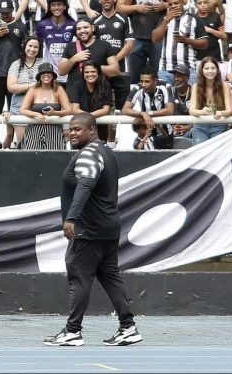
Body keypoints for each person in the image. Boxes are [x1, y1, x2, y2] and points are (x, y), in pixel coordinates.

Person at [44, 112, 140, 348]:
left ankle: (73, 331)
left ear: (92, 130)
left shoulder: (89, 153)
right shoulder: (105, 150)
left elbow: (86, 184)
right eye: (71, 129)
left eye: (77, 129)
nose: (72, 133)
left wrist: (72, 218)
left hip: (89, 229)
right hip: (108, 227)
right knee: (110, 276)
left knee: (79, 278)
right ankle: (128, 327)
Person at [19, 62, 70, 150]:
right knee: (31, 156)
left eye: (49, 73)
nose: (46, 75)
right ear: (39, 76)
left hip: (54, 129)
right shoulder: (33, 90)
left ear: (53, 76)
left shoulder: (59, 89)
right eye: (43, 73)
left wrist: (54, 113)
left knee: (54, 156)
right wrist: (37, 114)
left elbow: (68, 110)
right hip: (34, 129)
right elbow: (23, 110)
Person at [188, 58, 231, 144]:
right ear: (202, 70)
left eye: (213, 68)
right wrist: (202, 112)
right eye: (206, 68)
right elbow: (192, 111)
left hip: (219, 125)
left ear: (217, 70)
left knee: (217, 154)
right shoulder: (196, 86)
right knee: (200, 153)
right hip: (200, 125)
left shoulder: (224, 85)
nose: (210, 71)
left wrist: (222, 113)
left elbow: (229, 110)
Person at [67, 61, 114, 141]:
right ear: (83, 74)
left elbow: (106, 110)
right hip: (81, 128)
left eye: (93, 71)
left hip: (100, 128)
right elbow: (75, 109)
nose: (90, 74)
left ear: (98, 72)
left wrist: (88, 116)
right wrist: (89, 117)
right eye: (87, 72)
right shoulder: (77, 85)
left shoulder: (105, 84)